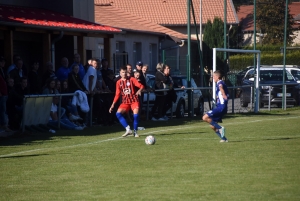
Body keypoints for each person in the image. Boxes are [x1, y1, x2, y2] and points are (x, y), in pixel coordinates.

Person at [109, 65, 144, 137]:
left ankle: (135, 132)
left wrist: (140, 90)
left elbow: (141, 86)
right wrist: (113, 104)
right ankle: (128, 129)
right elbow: (117, 94)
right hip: (125, 102)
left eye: (125, 72)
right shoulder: (118, 82)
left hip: (134, 100)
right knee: (118, 114)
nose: (124, 74)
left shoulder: (132, 79)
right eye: (122, 72)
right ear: (120, 73)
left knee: (135, 116)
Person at [202, 70, 229, 142]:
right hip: (222, 107)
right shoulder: (221, 82)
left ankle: (220, 128)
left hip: (221, 107)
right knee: (212, 126)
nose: (213, 78)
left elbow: (221, 87)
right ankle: (224, 139)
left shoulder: (220, 82)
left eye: (214, 76)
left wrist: (223, 94)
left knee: (204, 117)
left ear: (218, 76)